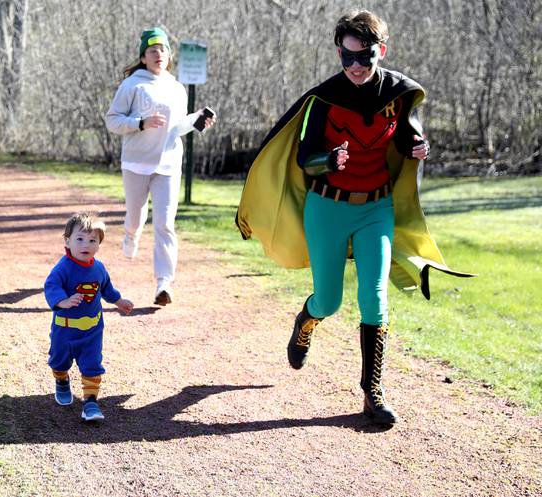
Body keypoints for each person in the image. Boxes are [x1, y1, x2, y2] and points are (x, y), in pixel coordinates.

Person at [236, 10, 472, 426]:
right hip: (327, 207)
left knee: (374, 296)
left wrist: (419, 147)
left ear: (381, 51)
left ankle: (372, 393)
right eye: (347, 58)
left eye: (364, 58)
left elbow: (403, 137)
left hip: (376, 208)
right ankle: (307, 321)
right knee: (329, 300)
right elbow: (305, 157)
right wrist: (330, 159)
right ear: (339, 54)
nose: (356, 67)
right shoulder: (324, 99)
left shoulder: (397, 93)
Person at [105, 27, 216, 306]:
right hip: (136, 163)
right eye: (152, 50)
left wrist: (196, 120)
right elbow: (113, 120)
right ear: (143, 57)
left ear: (169, 56)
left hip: (168, 164)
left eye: (163, 49)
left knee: (166, 225)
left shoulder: (176, 89)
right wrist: (139, 123)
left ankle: (163, 284)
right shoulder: (132, 85)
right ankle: (131, 234)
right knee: (135, 216)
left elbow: (177, 127)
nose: (158, 54)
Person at [44, 212, 134, 422]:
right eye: (80, 239)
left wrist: (119, 301)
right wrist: (62, 301)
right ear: (67, 241)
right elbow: (51, 286)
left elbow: (106, 288)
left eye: (92, 240)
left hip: (92, 329)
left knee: (92, 364)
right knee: (58, 361)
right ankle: (62, 380)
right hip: (65, 329)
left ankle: (90, 402)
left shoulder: (99, 268)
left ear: (99, 244)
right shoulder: (63, 268)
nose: (86, 244)